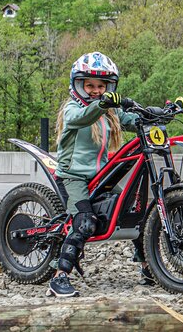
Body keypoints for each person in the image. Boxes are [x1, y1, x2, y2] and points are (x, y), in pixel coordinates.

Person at [48, 52, 149, 297]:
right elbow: (84, 117)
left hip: (101, 176)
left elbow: (132, 119)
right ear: (78, 85)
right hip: (73, 177)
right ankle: (60, 276)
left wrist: (156, 115)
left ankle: (149, 267)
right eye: (90, 85)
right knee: (85, 222)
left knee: (135, 211)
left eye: (101, 86)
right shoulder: (73, 109)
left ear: (109, 86)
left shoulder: (110, 111)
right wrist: (102, 103)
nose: (95, 90)